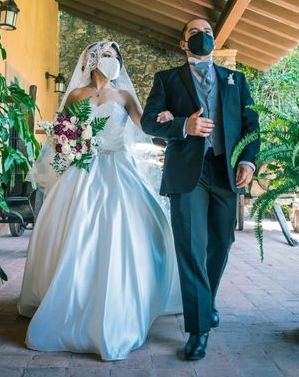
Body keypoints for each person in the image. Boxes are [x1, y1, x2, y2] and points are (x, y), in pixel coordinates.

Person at [18, 41, 182, 361]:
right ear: (91, 60)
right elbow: (61, 132)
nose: (112, 60)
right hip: (83, 168)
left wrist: (168, 123)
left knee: (133, 226)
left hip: (118, 167)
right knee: (72, 232)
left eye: (115, 56)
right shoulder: (77, 96)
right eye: (106, 55)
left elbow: (144, 127)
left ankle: (128, 299)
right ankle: (70, 299)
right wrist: (69, 144)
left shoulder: (123, 96)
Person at [141, 18, 260, 360]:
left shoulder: (236, 80)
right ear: (183, 43)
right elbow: (148, 121)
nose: (202, 36)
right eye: (194, 33)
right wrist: (183, 125)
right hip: (186, 172)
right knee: (191, 247)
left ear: (215, 40)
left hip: (225, 170)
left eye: (207, 32)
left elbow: (252, 124)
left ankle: (205, 301)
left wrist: (249, 162)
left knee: (221, 243)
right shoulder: (166, 79)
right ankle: (198, 329)